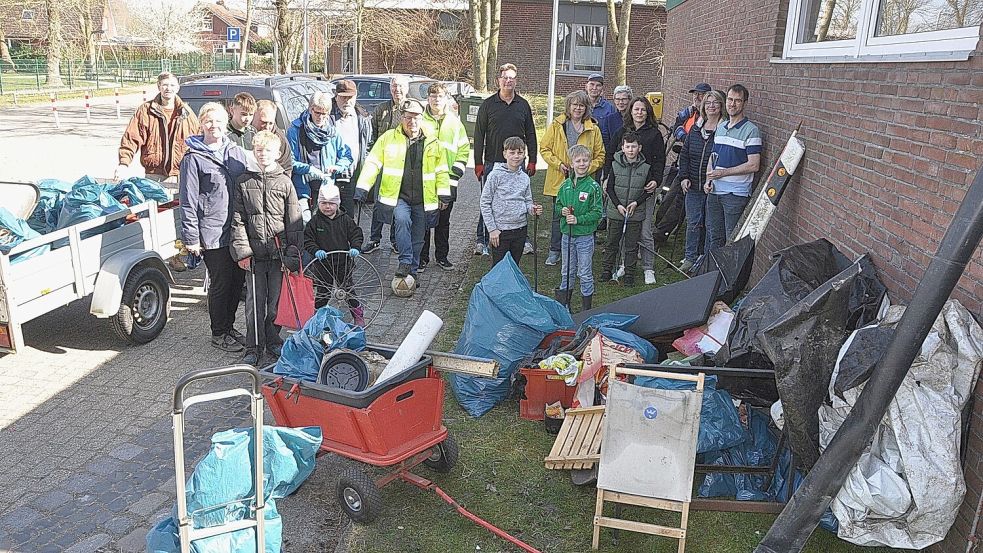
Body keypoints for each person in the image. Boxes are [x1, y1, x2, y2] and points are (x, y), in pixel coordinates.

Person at [354, 99, 451, 282]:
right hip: (398, 196)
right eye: (408, 117)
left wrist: (444, 194)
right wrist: (362, 188)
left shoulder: (433, 141)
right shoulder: (388, 138)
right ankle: (405, 261)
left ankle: (411, 274)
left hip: (424, 198)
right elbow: (373, 163)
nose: (412, 122)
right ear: (402, 118)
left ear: (422, 119)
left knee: (419, 236)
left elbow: (442, 170)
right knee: (402, 220)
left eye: (416, 118)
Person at [178, 102, 248, 352]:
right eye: (208, 121)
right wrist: (191, 238)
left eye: (218, 121)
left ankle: (229, 327)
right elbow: (187, 200)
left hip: (237, 230)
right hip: (211, 232)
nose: (214, 125)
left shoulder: (235, 151)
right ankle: (218, 332)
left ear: (225, 122)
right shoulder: (193, 158)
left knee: (237, 281)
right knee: (221, 283)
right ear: (201, 124)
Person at [229, 130, 303, 365]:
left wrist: (292, 254)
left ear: (278, 153)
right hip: (254, 256)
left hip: (278, 256)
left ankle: (273, 340)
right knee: (253, 305)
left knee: (274, 306)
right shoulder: (243, 181)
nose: (263, 155)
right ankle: (253, 347)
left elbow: (294, 221)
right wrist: (243, 252)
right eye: (259, 150)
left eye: (268, 150)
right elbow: (238, 219)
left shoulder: (284, 182)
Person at [473, 63, 538, 256]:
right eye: (505, 77)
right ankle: (482, 238)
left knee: (520, 198)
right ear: (498, 80)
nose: (508, 81)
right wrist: (478, 162)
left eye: (512, 78)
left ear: (516, 80)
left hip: (518, 160)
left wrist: (532, 159)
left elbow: (531, 134)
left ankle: (522, 239)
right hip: (493, 161)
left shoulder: (523, 105)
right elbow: (478, 135)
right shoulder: (488, 105)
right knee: (489, 201)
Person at [540, 90, 605, 266]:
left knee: (584, 213)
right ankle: (555, 250)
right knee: (559, 215)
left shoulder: (593, 129)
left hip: (584, 182)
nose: (577, 108)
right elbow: (545, 148)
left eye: (581, 105)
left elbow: (600, 156)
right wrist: (558, 164)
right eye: (574, 104)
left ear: (586, 108)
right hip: (560, 179)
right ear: (568, 106)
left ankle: (583, 250)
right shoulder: (557, 125)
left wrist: (583, 169)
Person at [608, 97, 666, 285]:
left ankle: (648, 267)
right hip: (624, 188)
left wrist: (656, 181)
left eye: (642, 109)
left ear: (648, 112)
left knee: (645, 231)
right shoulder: (622, 132)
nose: (639, 112)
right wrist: (607, 177)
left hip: (645, 189)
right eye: (636, 109)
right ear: (630, 111)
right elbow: (611, 156)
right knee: (626, 228)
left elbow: (659, 161)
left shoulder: (654, 134)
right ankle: (626, 263)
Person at [420, 82, 470, 272]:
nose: (436, 100)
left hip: (448, 181)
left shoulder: (455, 123)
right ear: (428, 98)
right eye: (433, 96)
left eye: (440, 96)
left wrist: (454, 175)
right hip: (426, 182)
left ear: (446, 98)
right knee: (424, 222)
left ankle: (442, 257)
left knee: (443, 222)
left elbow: (463, 150)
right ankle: (422, 258)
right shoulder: (421, 120)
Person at [705, 84, 762, 250]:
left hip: (735, 195)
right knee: (714, 237)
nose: (733, 104)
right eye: (730, 99)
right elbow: (713, 156)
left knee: (732, 240)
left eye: (738, 101)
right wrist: (708, 179)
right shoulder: (721, 127)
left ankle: (728, 277)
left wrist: (723, 172)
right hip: (714, 191)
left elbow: (754, 165)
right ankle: (713, 275)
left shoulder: (751, 131)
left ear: (744, 103)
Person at [116, 71, 200, 185]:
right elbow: (131, 138)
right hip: (153, 175)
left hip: (180, 174)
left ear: (177, 88)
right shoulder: (145, 110)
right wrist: (123, 164)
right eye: (165, 85)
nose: (168, 88)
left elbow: (198, 142)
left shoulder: (187, 113)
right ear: (159, 86)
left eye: (172, 85)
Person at [678, 90, 727, 272]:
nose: (711, 106)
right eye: (708, 103)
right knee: (693, 223)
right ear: (703, 107)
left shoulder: (724, 130)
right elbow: (685, 154)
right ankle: (689, 258)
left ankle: (705, 260)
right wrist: (684, 177)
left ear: (721, 106)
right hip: (693, 185)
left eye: (715, 102)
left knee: (710, 225)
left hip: (714, 186)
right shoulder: (696, 129)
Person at [304, 183, 365, 326]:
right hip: (322, 264)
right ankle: (318, 318)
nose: (327, 207)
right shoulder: (315, 222)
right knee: (322, 293)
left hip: (343, 262)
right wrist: (315, 250)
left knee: (348, 290)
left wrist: (355, 247)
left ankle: (358, 314)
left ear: (337, 204)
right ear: (319, 203)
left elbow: (356, 234)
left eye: (331, 203)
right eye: (323, 203)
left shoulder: (345, 220)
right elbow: (307, 240)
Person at [287, 91, 353, 222]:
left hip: (325, 187)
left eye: (325, 114)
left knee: (324, 227)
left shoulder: (332, 132)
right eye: (317, 112)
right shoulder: (295, 129)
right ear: (310, 109)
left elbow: (347, 156)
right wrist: (309, 169)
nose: (321, 117)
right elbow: (289, 161)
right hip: (302, 187)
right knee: (305, 224)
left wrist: (338, 167)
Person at [364, 76, 410, 254]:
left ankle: (394, 240)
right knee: (379, 202)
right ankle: (374, 239)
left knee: (397, 204)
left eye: (400, 86)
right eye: (394, 86)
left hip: (403, 165)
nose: (396, 89)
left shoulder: (411, 108)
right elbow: (373, 136)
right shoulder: (381, 109)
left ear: (406, 88)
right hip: (383, 165)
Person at [480, 136, 543, 267]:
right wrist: (492, 229)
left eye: (520, 153)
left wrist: (533, 209)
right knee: (499, 270)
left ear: (524, 154)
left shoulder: (525, 178)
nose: (516, 156)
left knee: (514, 267)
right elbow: (485, 202)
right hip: (500, 232)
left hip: (520, 230)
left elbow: (527, 201)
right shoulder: (495, 175)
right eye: (512, 152)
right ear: (505, 154)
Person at [600, 132, 654, 286]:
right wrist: (618, 205)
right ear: (622, 148)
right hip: (617, 211)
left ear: (639, 148)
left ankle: (629, 273)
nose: (631, 150)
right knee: (612, 242)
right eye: (628, 146)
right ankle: (607, 270)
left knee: (631, 245)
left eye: (634, 146)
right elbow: (609, 188)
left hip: (634, 213)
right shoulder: (615, 165)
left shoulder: (645, 167)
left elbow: (648, 191)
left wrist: (636, 202)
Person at [554, 144, 603, 311]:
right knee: (567, 271)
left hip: (584, 237)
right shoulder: (565, 185)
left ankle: (586, 310)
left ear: (590, 163)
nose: (582, 164)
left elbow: (598, 212)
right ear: (571, 163)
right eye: (578, 161)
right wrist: (562, 210)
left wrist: (578, 219)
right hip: (567, 236)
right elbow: (557, 205)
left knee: (585, 273)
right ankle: (564, 307)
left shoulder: (593, 187)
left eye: (585, 160)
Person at [331, 79, 372, 218]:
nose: (347, 101)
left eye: (350, 97)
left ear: (356, 97)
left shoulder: (362, 117)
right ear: (336, 96)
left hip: (352, 176)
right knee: (327, 219)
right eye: (343, 97)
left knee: (348, 219)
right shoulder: (327, 117)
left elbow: (367, 146)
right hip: (330, 177)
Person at [251, 99, 294, 176]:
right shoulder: (244, 134)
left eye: (271, 123)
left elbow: (286, 168)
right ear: (254, 116)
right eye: (263, 122)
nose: (267, 127)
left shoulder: (280, 140)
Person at [585, 73, 618, 156]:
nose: (594, 88)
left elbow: (612, 133)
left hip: (601, 150)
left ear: (602, 89)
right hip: (582, 148)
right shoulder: (579, 105)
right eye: (591, 84)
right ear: (586, 87)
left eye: (598, 85)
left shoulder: (609, 108)